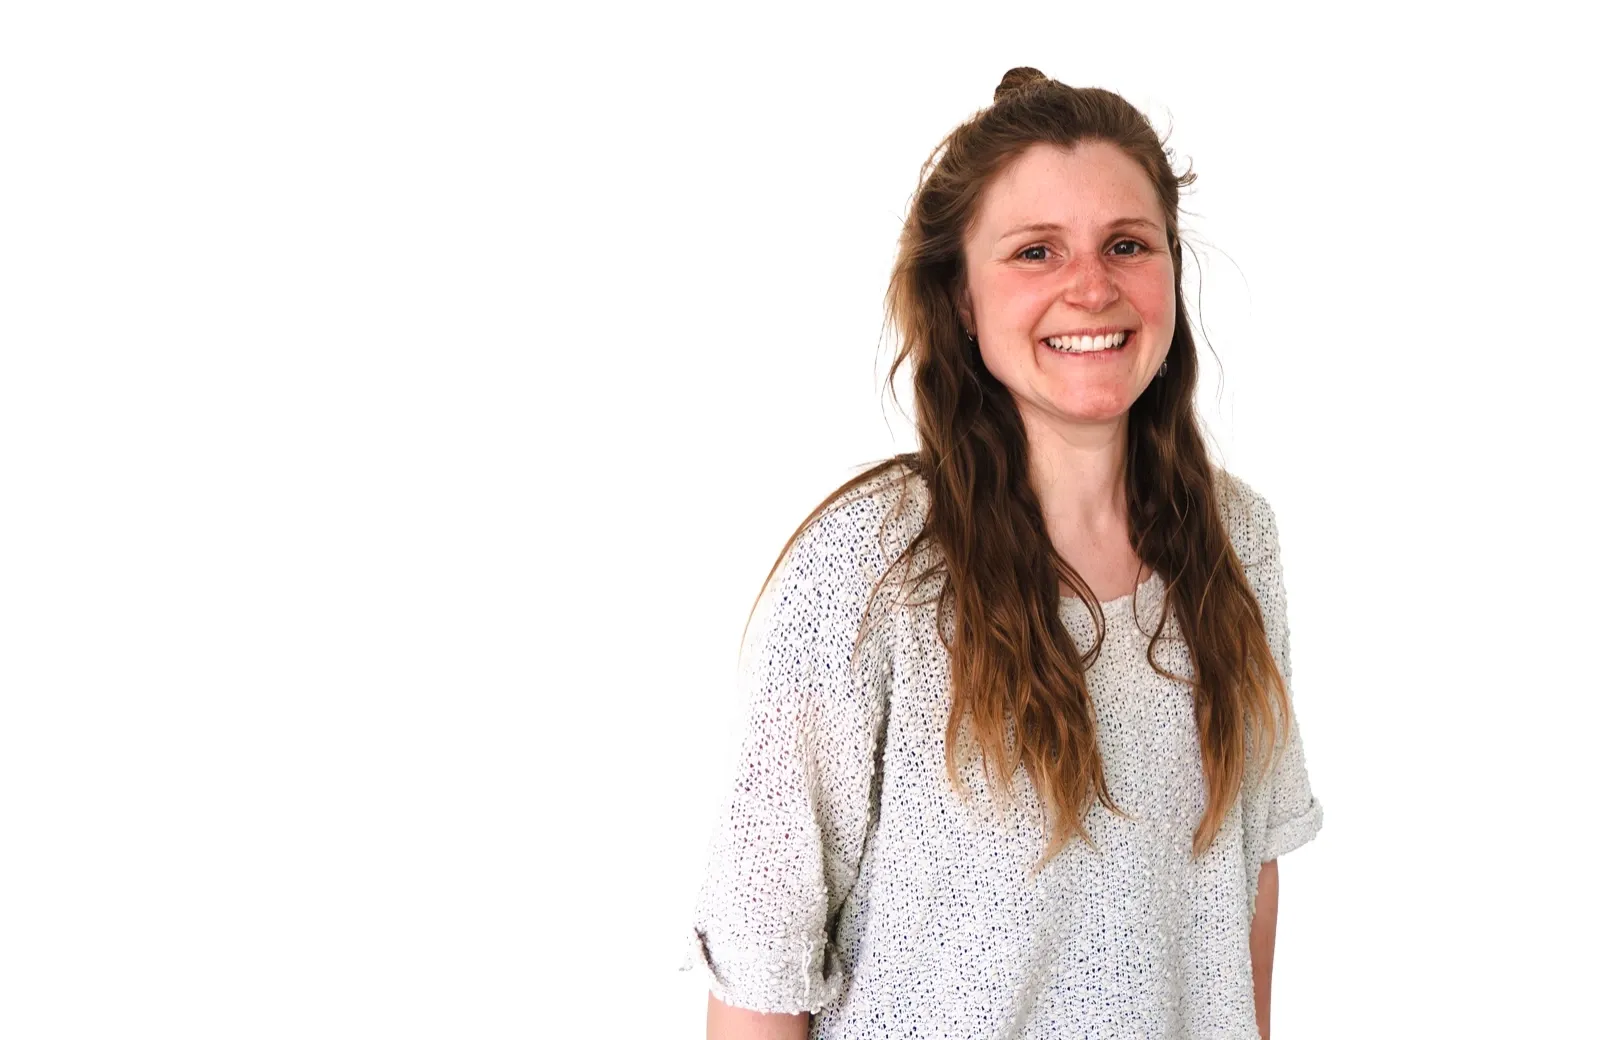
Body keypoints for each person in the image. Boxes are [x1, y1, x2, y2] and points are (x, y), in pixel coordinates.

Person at [680, 67, 1324, 1040]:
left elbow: (1247, 868)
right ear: (962, 300)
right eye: (1034, 251)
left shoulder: (1238, 541)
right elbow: (762, 954)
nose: (1091, 286)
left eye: (1126, 244)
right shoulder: (872, 566)